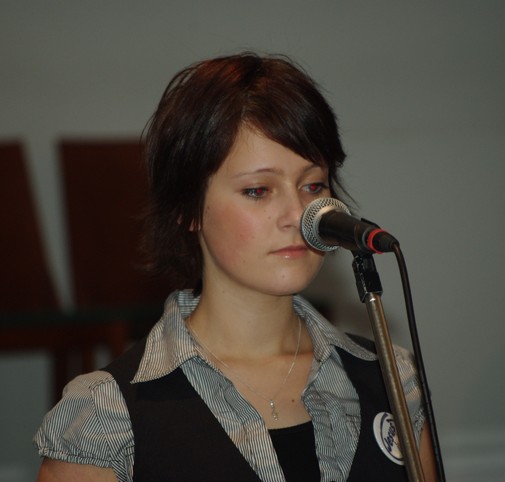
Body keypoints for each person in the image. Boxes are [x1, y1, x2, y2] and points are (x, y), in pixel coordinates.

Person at [34, 52, 438, 482]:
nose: (297, 214)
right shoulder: (106, 415)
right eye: (258, 190)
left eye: (312, 185)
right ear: (188, 209)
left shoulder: (391, 377)